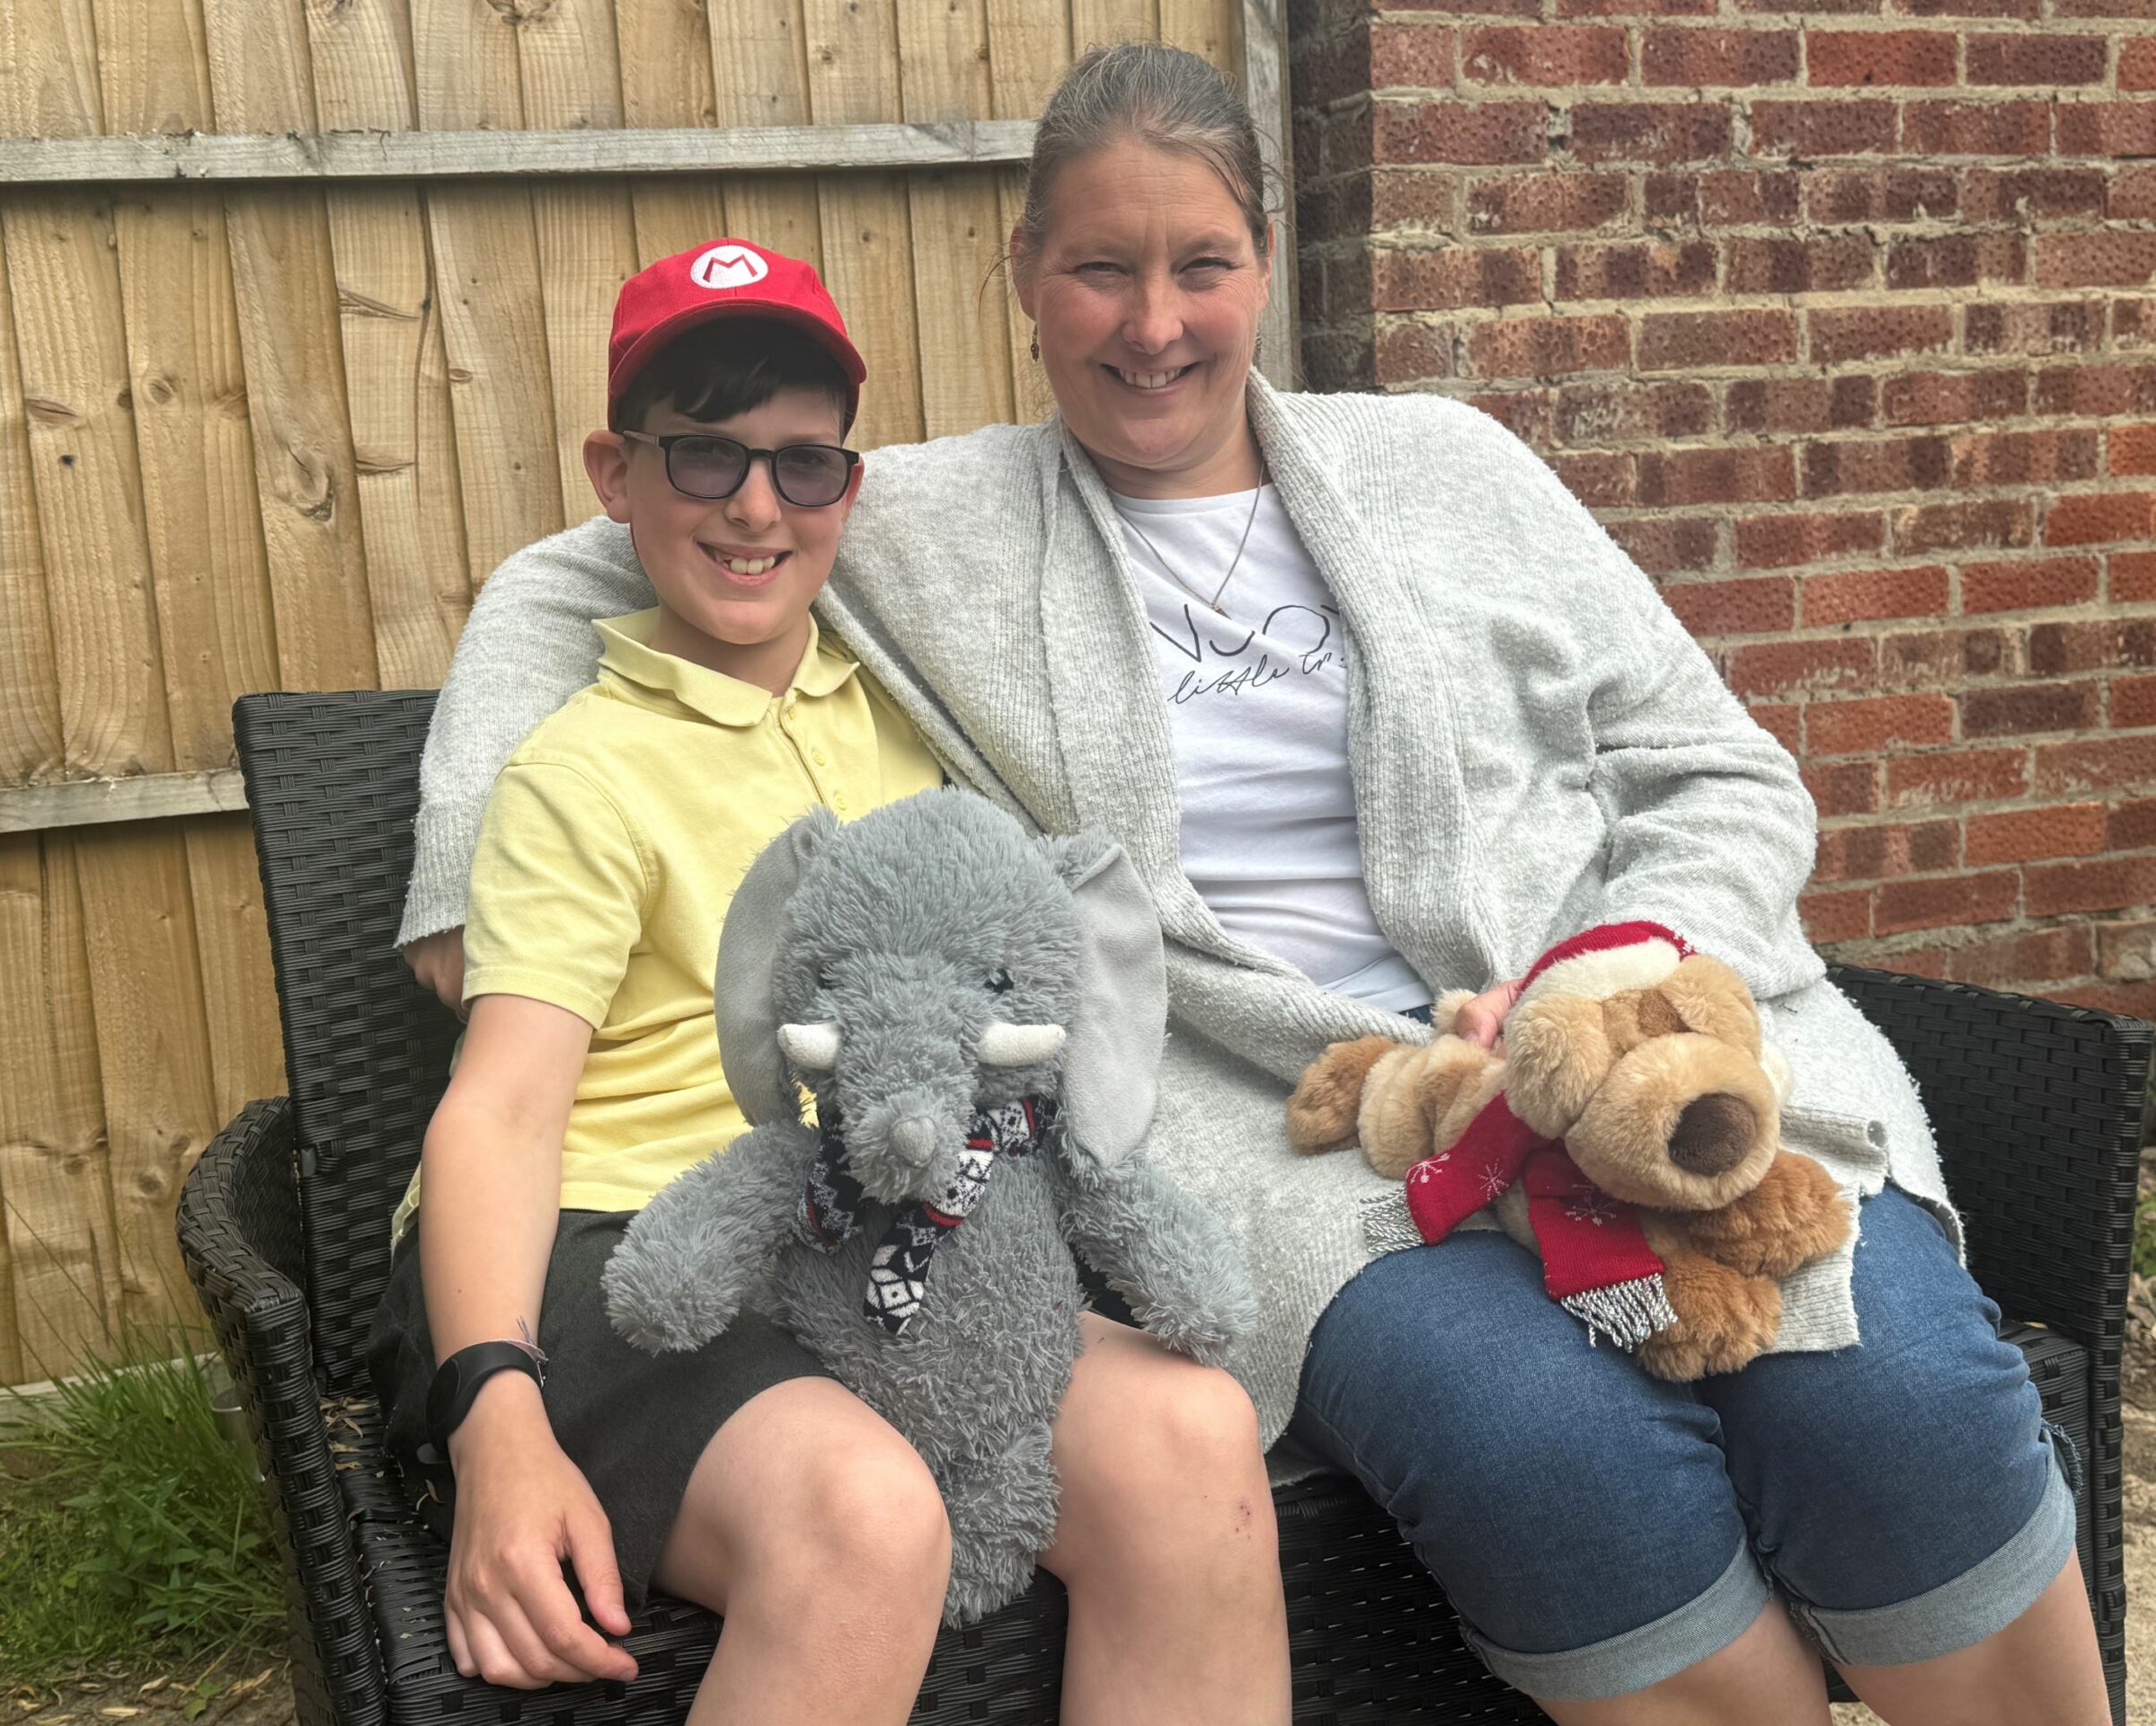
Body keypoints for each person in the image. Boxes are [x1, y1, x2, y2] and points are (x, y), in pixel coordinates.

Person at [398, 43, 2109, 1726]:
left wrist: (1620, 967)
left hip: (1633, 1030)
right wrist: (470, 871)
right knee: (1541, 1450)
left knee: (1896, 1400)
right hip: (1284, 1120)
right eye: (1101, 267)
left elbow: (1720, 770)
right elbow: (591, 565)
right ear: (1025, 274)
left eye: (1202, 264)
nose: (1155, 324)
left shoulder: (1448, 467)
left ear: (1268, 265)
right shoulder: (924, 521)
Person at [371, 238, 1292, 1726]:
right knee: (865, 1516)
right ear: (615, 475)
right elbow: (503, 1111)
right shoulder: (578, 771)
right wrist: (495, 1415)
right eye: (704, 454)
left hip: (868, 1221)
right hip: (609, 1245)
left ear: (849, 492)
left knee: (1191, 1434)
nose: (755, 507)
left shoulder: (912, 723)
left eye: (803, 464)